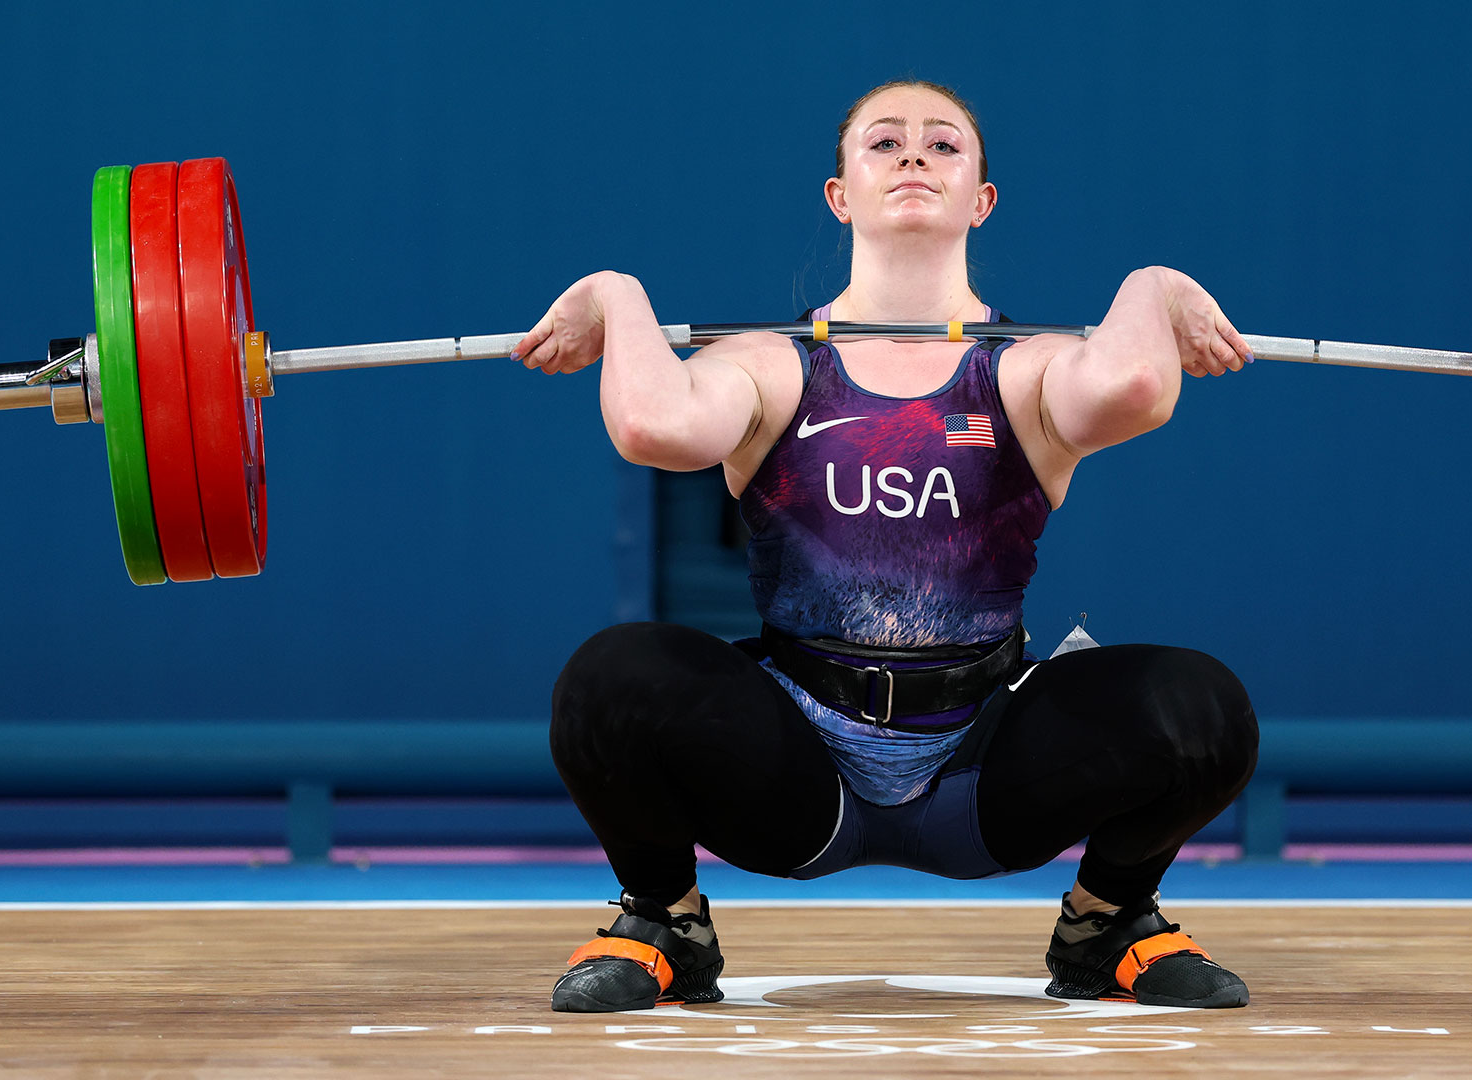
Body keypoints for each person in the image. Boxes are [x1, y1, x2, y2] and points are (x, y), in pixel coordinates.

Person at [512, 80, 1260, 1014]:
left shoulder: (1021, 372)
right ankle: (665, 920)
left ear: (982, 200)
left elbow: (1138, 388)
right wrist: (615, 297)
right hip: (795, 765)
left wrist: (1154, 287)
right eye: (885, 143)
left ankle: (1106, 923)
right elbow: (653, 427)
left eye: (944, 145)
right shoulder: (773, 365)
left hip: (984, 764)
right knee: (609, 680)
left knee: (1205, 710)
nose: (914, 157)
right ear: (841, 194)